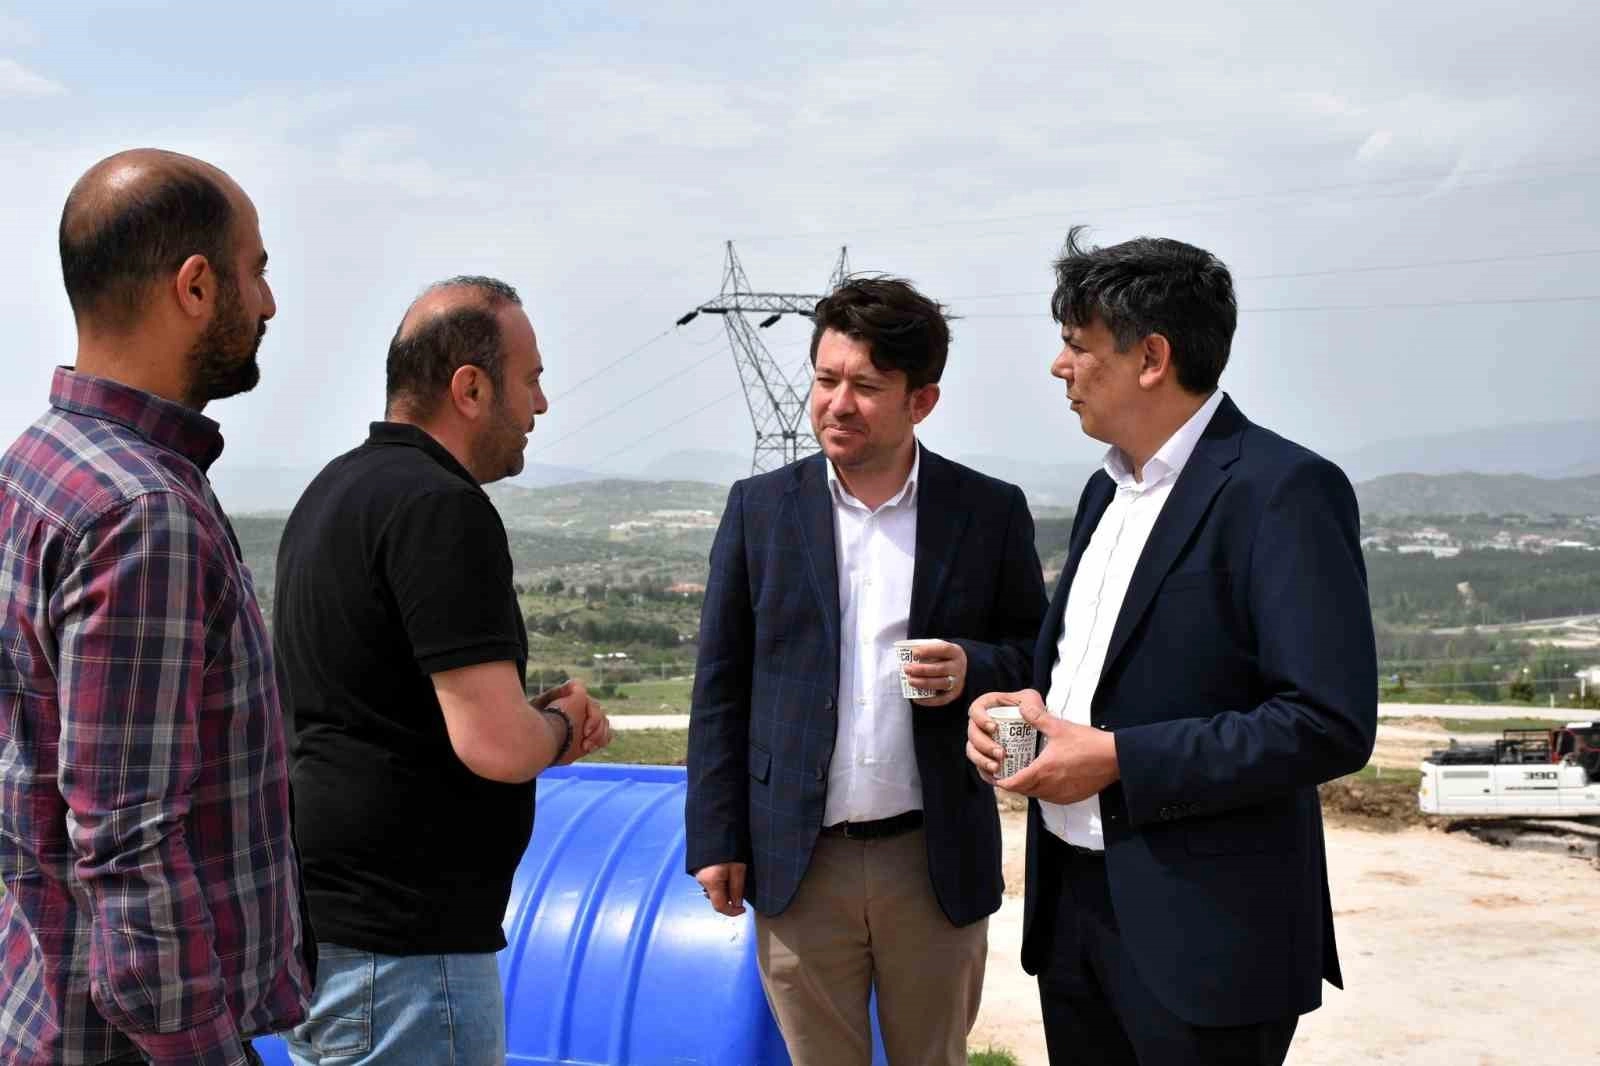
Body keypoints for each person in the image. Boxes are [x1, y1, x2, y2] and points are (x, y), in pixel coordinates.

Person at [966, 228, 1378, 1066]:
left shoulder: (1281, 491)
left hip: (1208, 935)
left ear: (1151, 357)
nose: (1058, 367)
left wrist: (1118, 759)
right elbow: (1089, 672)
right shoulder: (1103, 491)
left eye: (1077, 345)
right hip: (1073, 910)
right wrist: (1017, 705)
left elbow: (1327, 723)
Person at [0, 149, 313, 1066]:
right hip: (129, 1045)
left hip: (42, 1004)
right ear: (196, 286)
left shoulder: (37, 463)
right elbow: (129, 847)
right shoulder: (142, 511)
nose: (269, 303)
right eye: (257, 270)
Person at [686, 277, 1047, 1066]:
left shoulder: (987, 511)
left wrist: (973, 666)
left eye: (866, 387)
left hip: (933, 858)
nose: (837, 404)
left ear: (923, 401)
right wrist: (716, 837)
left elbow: (1036, 655)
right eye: (826, 379)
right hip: (797, 861)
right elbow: (720, 688)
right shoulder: (760, 509)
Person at [272, 276, 613, 1066]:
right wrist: (563, 724)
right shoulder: (441, 507)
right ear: (471, 388)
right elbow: (495, 745)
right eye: (530, 380)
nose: (540, 406)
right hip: (408, 959)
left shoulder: (334, 491)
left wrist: (521, 717)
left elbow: (380, 709)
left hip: (325, 939)